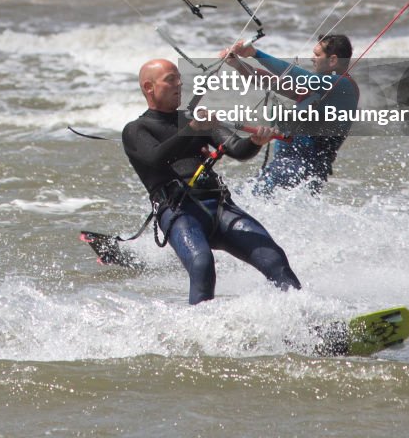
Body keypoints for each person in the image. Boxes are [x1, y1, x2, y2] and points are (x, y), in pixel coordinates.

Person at [122, 58, 301, 305]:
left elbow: (237, 149)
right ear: (149, 88)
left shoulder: (194, 120)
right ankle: (203, 334)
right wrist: (193, 128)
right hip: (179, 213)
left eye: (179, 77)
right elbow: (156, 159)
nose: (179, 83)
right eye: (170, 79)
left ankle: (308, 323)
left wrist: (255, 142)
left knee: (273, 255)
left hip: (219, 207)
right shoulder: (136, 130)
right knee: (201, 264)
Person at [221, 34, 359, 195]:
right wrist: (238, 65)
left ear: (333, 60)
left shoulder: (342, 86)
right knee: (233, 197)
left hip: (303, 171)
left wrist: (255, 53)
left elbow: (299, 76)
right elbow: (271, 82)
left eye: (317, 54)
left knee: (239, 199)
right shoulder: (318, 90)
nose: (312, 58)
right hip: (282, 167)